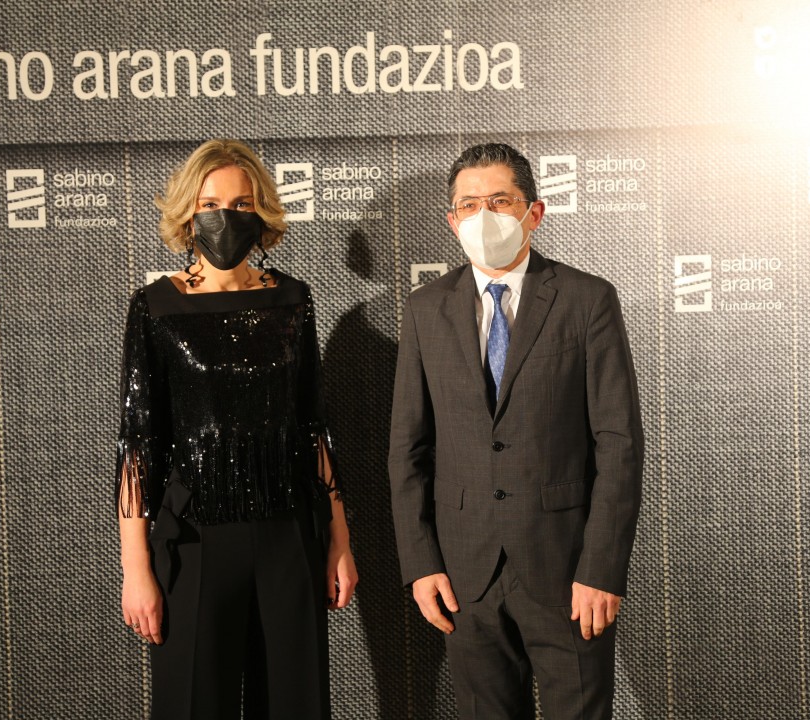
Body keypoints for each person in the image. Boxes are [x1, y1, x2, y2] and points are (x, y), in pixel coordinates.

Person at [388, 142, 643, 719]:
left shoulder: (587, 300)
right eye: (469, 205)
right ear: (452, 220)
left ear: (534, 212)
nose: (484, 216)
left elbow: (619, 446)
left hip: (567, 572)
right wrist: (421, 563)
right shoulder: (426, 309)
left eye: (500, 201)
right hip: (465, 574)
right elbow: (407, 449)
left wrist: (601, 569)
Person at [116, 139, 358, 719]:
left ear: (262, 212)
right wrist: (135, 570)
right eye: (210, 204)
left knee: (295, 704)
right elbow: (138, 446)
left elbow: (313, 427)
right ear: (188, 213)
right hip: (194, 539)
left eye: (241, 204)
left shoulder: (292, 300)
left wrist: (340, 540)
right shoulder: (156, 307)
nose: (225, 217)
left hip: (288, 533)